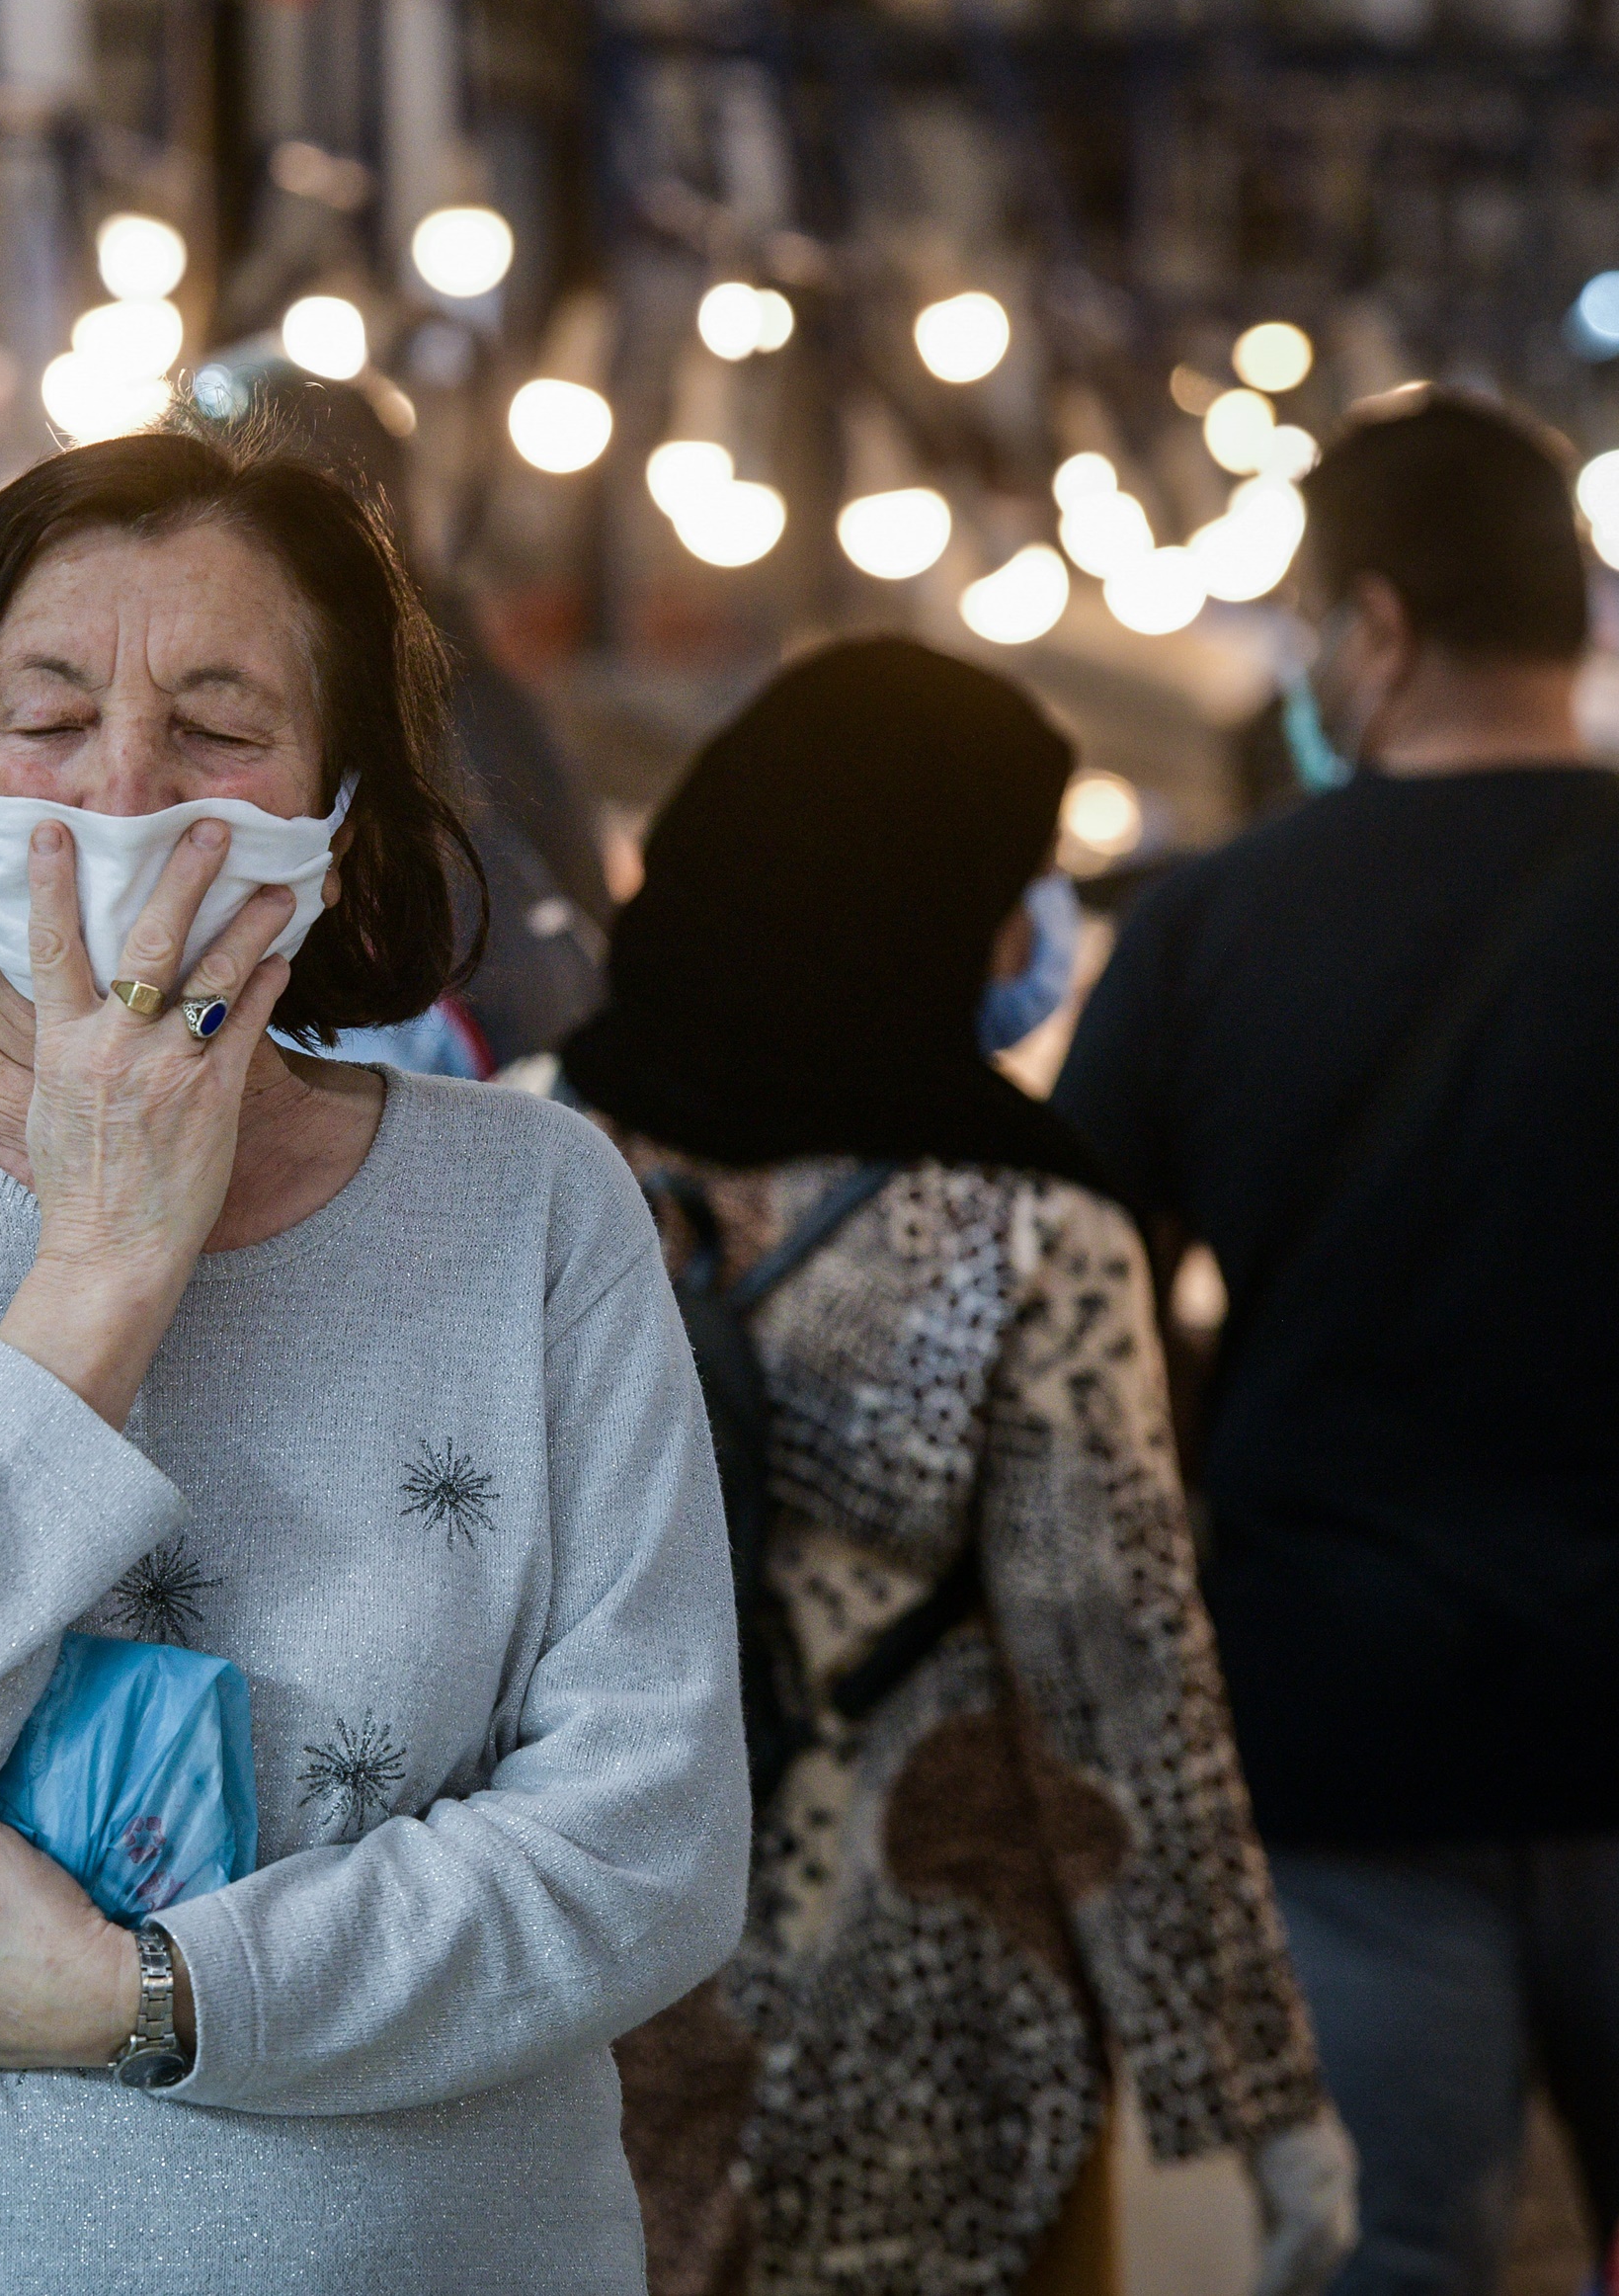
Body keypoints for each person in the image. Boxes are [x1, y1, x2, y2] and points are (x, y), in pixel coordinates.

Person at [0, 428, 751, 2292]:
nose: (126, 790)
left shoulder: (534, 1208)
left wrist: (150, 1995)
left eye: (219, 724)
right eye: (44, 719)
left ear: (341, 802)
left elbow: (652, 1850)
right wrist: (107, 1264)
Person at [1053, 389, 1619, 2296]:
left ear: (1376, 628)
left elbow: (1088, 1362)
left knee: (1397, 2256)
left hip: (1341, 1738)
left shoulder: (1199, 935)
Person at [561, 638, 1347, 2296]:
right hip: (919, 2034)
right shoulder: (1028, 1226)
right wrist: (1260, 2109)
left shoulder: (523, 1160)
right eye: (1014, 880)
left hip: (579, 1992)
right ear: (921, 901)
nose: (1027, 931)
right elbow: (1120, 1692)